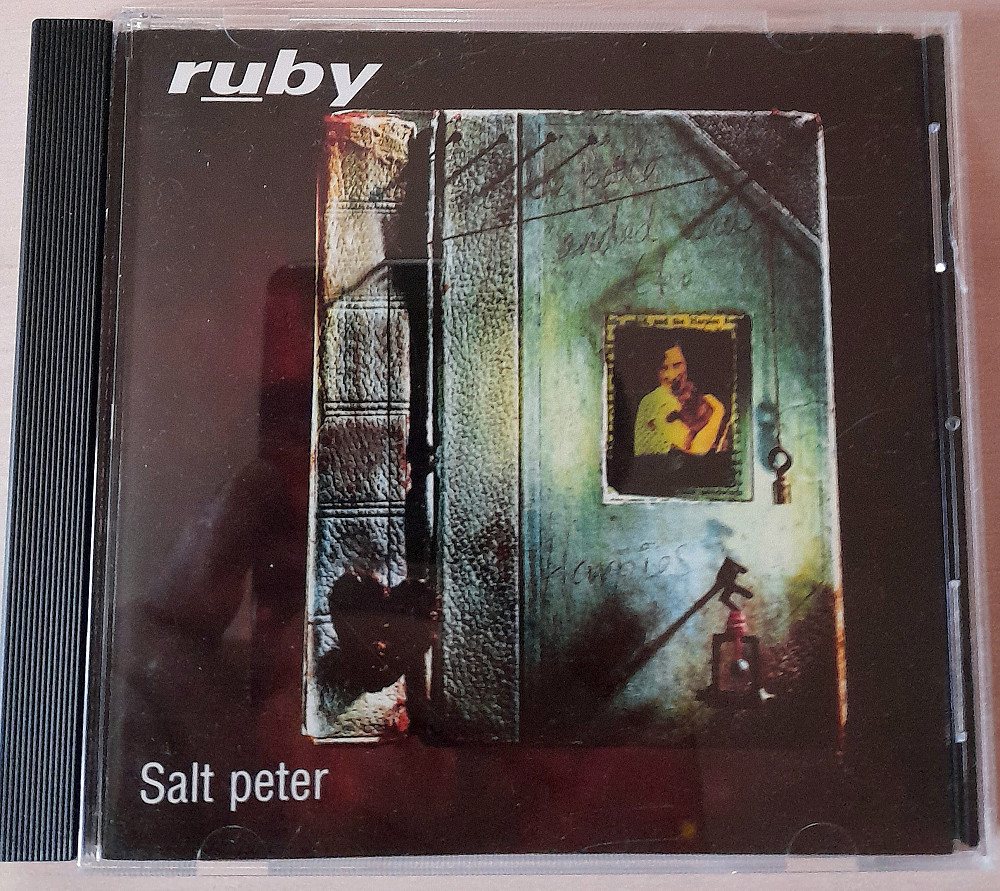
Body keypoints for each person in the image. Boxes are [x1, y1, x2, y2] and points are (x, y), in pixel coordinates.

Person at [633, 344, 725, 456]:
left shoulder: (685, 396)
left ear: (687, 364)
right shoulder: (657, 399)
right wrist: (718, 411)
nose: (671, 376)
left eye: (677, 365)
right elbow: (697, 450)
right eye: (663, 368)